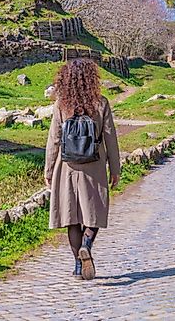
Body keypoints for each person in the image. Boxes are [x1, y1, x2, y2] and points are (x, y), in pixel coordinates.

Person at [45, 58, 121, 281]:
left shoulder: (61, 104)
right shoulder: (101, 103)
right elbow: (111, 138)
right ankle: (87, 243)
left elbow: (54, 140)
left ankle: (78, 267)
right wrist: (115, 169)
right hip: (95, 164)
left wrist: (48, 169)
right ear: (91, 79)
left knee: (72, 217)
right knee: (94, 211)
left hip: (66, 165)